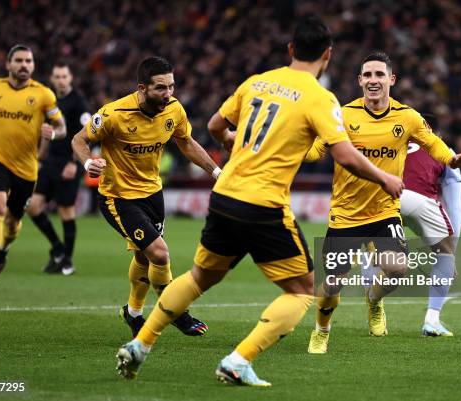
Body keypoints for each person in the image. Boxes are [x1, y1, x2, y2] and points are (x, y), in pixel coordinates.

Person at [115, 16, 404, 386]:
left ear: (290, 50)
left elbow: (217, 126)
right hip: (263, 204)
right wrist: (385, 177)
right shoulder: (320, 98)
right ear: (328, 55)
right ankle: (239, 361)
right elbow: (345, 156)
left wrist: (239, 147)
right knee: (302, 291)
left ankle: (140, 344)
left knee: (201, 276)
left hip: (224, 195)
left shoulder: (257, 82)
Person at [304, 51, 461, 354]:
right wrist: (291, 148)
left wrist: (452, 159)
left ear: (391, 79)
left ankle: (373, 299)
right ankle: (322, 329)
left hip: (385, 211)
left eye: (379, 75)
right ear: (360, 81)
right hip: (345, 215)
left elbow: (433, 143)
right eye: (368, 75)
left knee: (398, 271)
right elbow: (316, 151)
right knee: (332, 285)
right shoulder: (342, 115)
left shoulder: (407, 117)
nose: (373, 80)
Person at [71, 56, 219, 340]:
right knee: (159, 253)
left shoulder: (174, 110)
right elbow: (79, 139)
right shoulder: (114, 114)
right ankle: (176, 312)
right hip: (119, 198)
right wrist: (88, 163)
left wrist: (215, 171)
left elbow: (186, 142)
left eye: (172, 87)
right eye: (161, 88)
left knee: (143, 254)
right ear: (142, 87)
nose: (168, 94)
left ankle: (133, 312)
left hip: (153, 194)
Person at [0, 44, 66, 291]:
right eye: (19, 60)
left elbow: (62, 127)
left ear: (33, 66)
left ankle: (4, 248)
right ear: (8, 65)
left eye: (28, 61)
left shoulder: (44, 94)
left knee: (12, 222)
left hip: (26, 168)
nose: (24, 65)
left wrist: (52, 133)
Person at [26, 62, 91, 275]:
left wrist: (75, 162)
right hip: (50, 161)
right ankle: (57, 248)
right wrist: (40, 157)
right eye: (57, 76)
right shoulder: (50, 101)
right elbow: (47, 132)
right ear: (53, 79)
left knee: (66, 210)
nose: (61, 80)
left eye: (64, 76)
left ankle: (67, 261)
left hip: (68, 162)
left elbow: (88, 132)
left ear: (70, 78)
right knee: (33, 206)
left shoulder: (78, 102)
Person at [401, 139, 461, 336]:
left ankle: (374, 310)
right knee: (445, 252)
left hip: (385, 196)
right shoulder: (442, 147)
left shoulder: (390, 137)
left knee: (375, 246)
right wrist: (451, 253)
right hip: (420, 200)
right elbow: (455, 206)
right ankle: (432, 321)